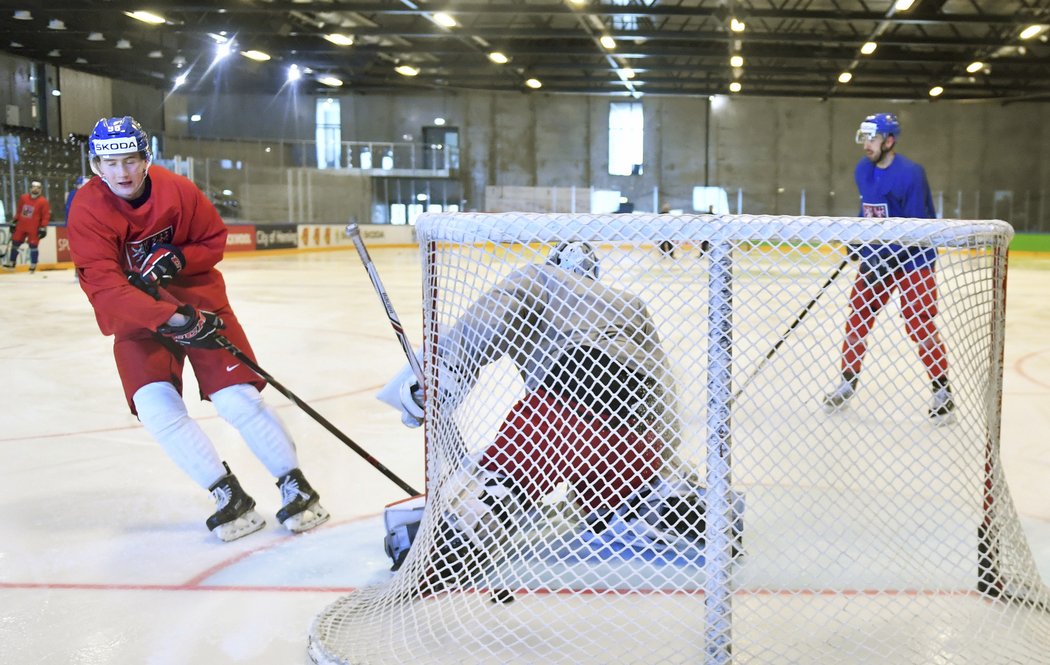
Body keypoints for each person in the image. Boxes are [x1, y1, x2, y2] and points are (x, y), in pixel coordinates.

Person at [389, 241, 744, 581]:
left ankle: (456, 534)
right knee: (610, 500)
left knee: (502, 483)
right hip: (635, 429)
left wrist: (442, 373)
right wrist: (661, 453)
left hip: (565, 408)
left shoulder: (538, 277)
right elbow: (663, 381)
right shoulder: (629, 303)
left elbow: (486, 323)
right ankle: (664, 494)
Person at [66, 116, 329, 542]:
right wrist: (170, 319)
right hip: (140, 318)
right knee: (154, 406)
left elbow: (214, 239)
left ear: (145, 158)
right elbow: (105, 288)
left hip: (199, 301)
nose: (121, 173)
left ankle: (295, 484)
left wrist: (179, 259)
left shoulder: (177, 190)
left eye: (130, 160)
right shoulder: (88, 207)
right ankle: (228, 495)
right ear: (96, 164)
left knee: (237, 399)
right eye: (109, 163)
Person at [821, 112, 955, 425]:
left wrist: (889, 257)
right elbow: (869, 208)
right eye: (864, 138)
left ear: (889, 140)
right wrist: (859, 239)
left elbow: (916, 227)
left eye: (873, 138)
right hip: (878, 259)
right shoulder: (862, 170)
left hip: (914, 261)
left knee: (918, 322)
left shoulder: (911, 174)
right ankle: (847, 381)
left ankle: (943, 392)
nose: (866, 144)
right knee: (858, 318)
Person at [3, 180, 51, 273]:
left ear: (40, 190)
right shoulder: (24, 198)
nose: (35, 189)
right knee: (15, 243)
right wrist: (14, 220)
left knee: (33, 246)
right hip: (21, 225)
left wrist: (43, 227)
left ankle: (33, 265)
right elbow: (19, 210)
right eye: (34, 187)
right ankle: (12, 263)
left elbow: (45, 216)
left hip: (34, 227)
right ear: (30, 188)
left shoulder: (43, 201)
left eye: (38, 188)